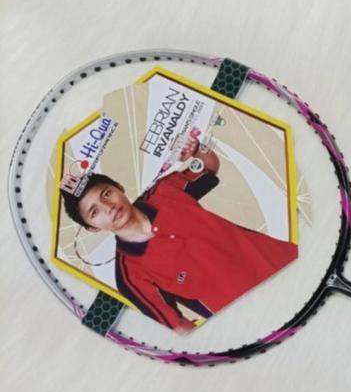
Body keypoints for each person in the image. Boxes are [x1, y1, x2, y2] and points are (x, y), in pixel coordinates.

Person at [61, 137, 297, 334]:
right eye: (94, 212)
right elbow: (178, 326)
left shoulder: (164, 190)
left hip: (286, 262)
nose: (108, 207)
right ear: (92, 227)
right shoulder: (129, 277)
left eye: (106, 193)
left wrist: (197, 149)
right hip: (259, 321)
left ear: (120, 188)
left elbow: (209, 167)